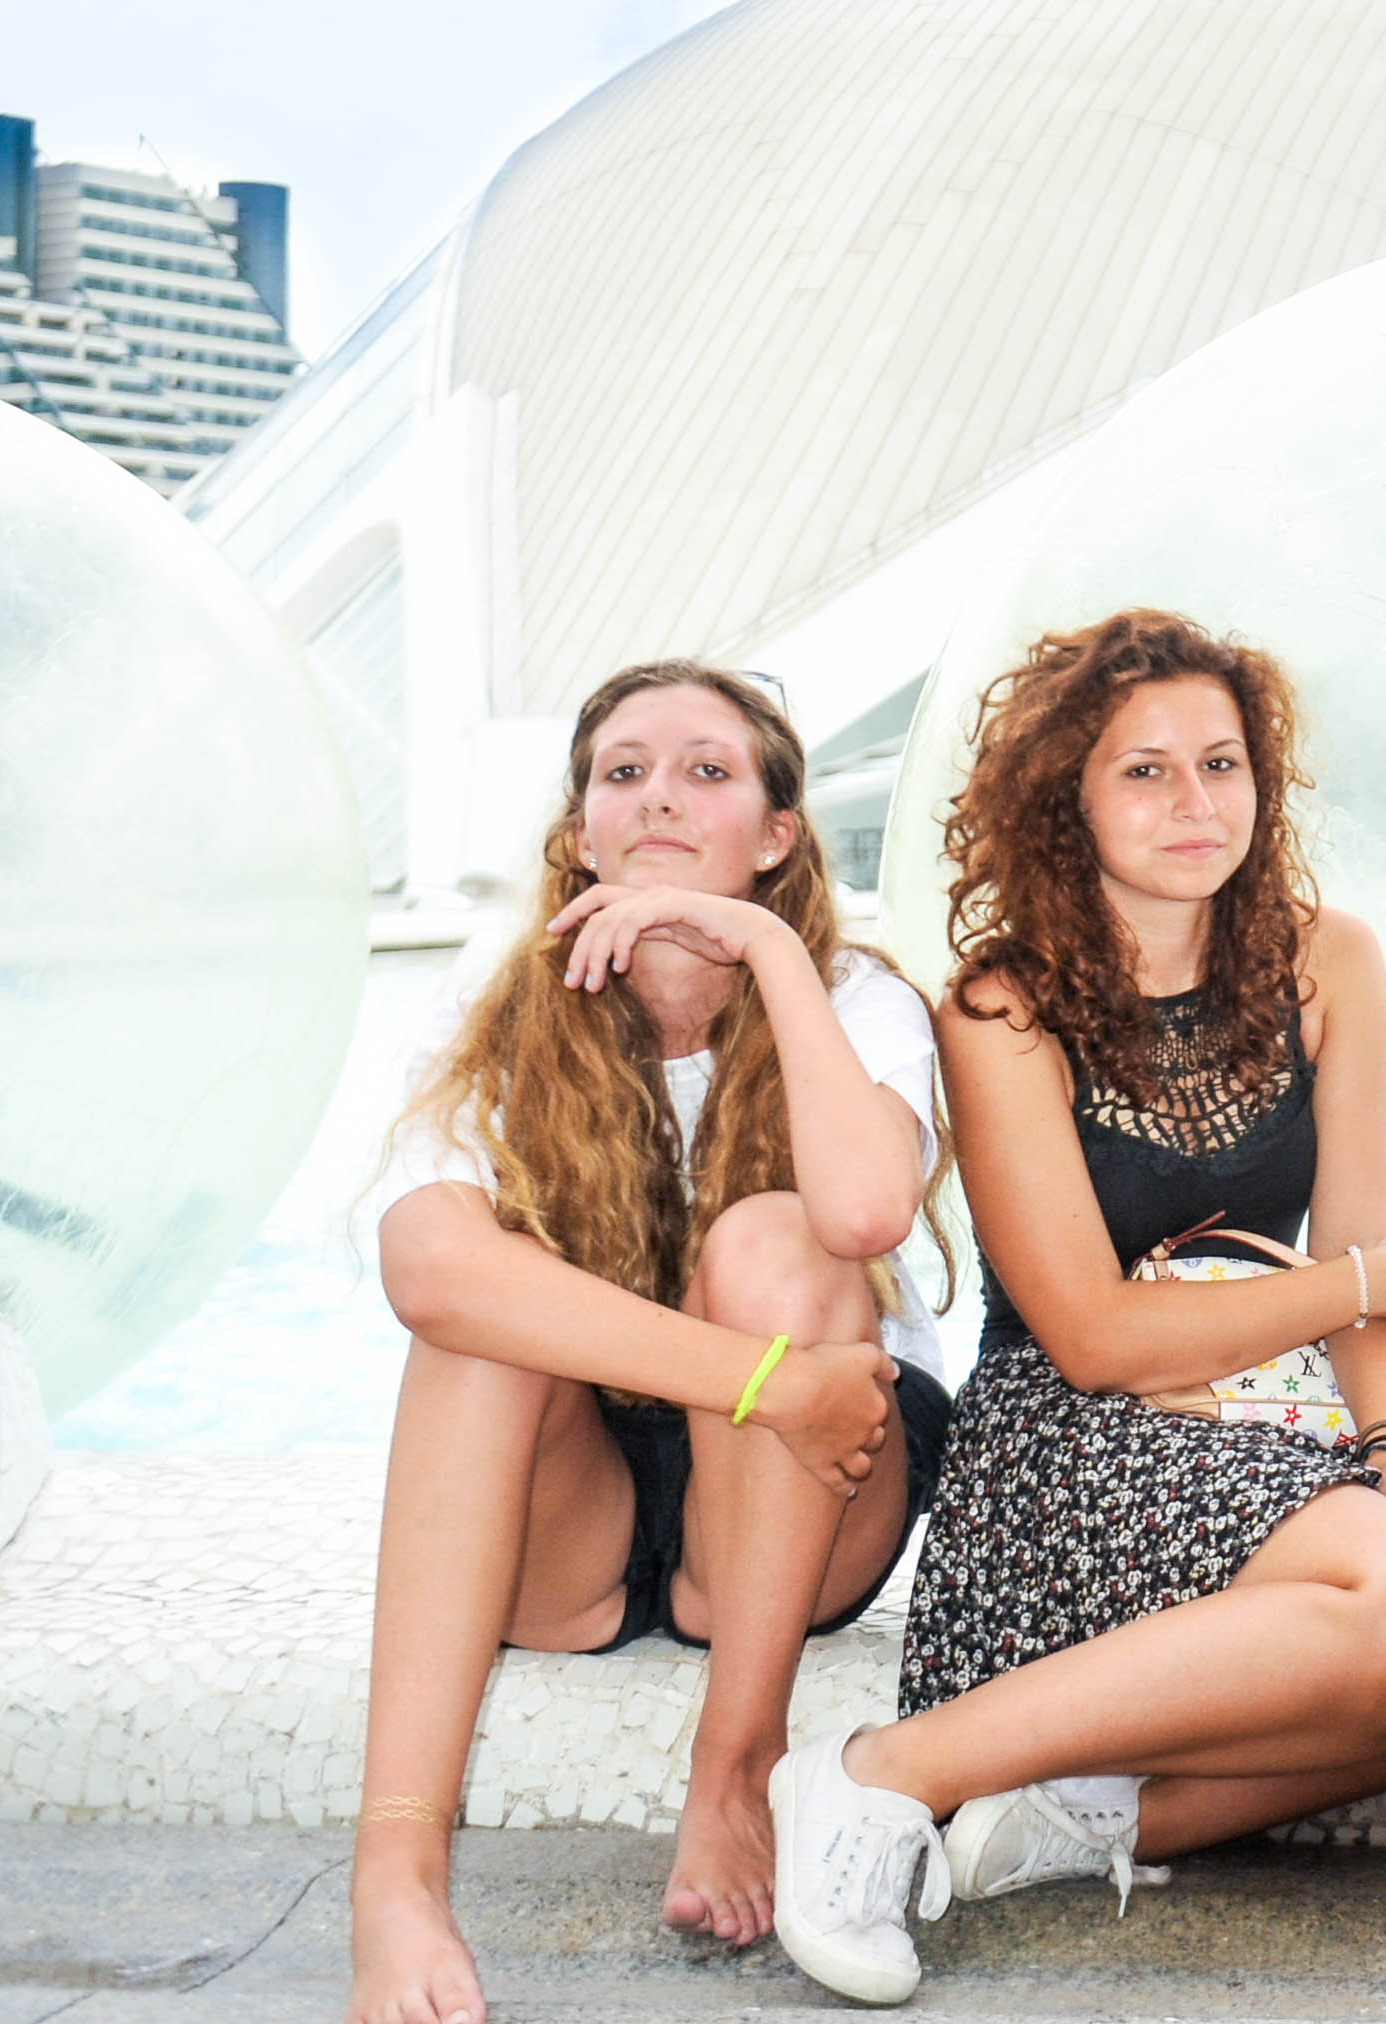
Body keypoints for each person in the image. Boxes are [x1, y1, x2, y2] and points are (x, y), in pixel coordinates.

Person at [765, 610, 1386, 2007]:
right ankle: (877, 1775)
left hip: (1271, 1424)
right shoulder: (1002, 1008)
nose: (1194, 803)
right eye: (1144, 772)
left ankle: (1094, 1819)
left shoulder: (1332, 960)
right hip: (1075, 1444)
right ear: (1069, 799)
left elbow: (1352, 1251)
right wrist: (1363, 1285)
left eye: (1221, 764)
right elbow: (1094, 1331)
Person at [349, 661, 956, 2024]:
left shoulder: (859, 997)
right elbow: (425, 1266)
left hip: (808, 1492)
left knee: (773, 1245)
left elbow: (864, 1210)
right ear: (580, 832)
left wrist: (774, 951)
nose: (662, 799)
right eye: (624, 772)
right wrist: (760, 1385)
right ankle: (395, 1874)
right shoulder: (501, 1014)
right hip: (593, 1509)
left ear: (778, 834)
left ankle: (733, 1767)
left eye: (707, 772)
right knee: (474, 1310)